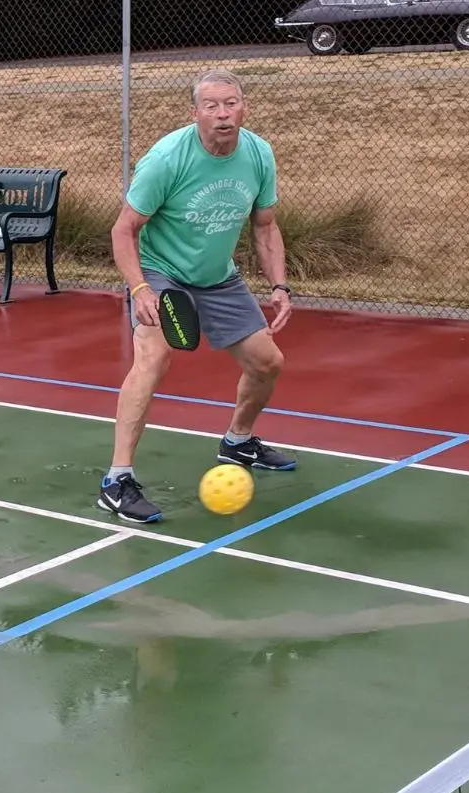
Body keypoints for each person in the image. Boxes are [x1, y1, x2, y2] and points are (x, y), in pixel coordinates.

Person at [98, 68, 296, 525]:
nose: (223, 114)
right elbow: (123, 230)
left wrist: (280, 285)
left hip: (218, 277)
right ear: (196, 113)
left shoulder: (259, 154)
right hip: (161, 272)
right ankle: (117, 479)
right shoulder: (168, 158)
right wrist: (140, 288)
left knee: (268, 362)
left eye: (231, 103)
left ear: (243, 107)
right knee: (153, 357)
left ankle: (238, 441)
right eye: (212, 106)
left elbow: (264, 227)